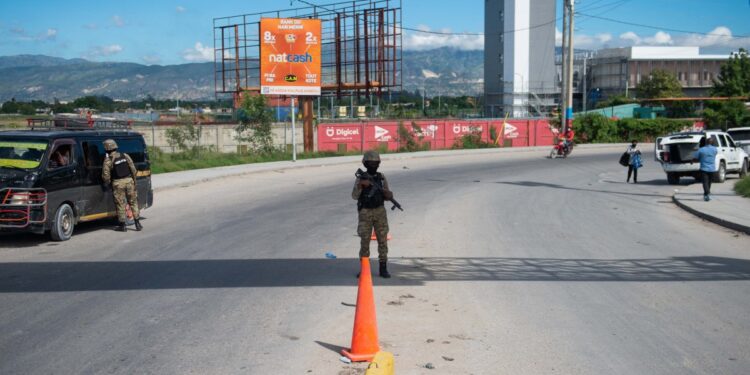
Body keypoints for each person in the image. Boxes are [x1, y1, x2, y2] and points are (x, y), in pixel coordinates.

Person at [352, 150, 394, 278]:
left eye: (375, 163)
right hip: (365, 212)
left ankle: (383, 268)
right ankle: (364, 269)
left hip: (379, 211)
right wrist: (361, 185)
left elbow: (386, 194)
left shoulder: (381, 178)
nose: (373, 165)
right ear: (365, 163)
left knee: (382, 240)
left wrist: (388, 195)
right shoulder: (361, 178)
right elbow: (354, 196)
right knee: (364, 241)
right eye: (370, 163)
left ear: (379, 164)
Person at [102, 139, 142, 231]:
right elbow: (133, 169)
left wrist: (108, 184)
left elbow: (106, 176)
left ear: (107, 149)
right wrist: (134, 181)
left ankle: (123, 226)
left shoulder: (108, 160)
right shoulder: (125, 155)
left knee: (120, 204)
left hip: (118, 183)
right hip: (129, 181)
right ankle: (138, 224)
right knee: (133, 202)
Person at [694, 137, 718, 201]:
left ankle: (707, 193)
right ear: (712, 143)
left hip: (704, 168)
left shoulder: (701, 149)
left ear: (706, 142)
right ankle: (706, 194)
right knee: (709, 182)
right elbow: (715, 155)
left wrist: (692, 161)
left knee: (705, 182)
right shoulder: (715, 149)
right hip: (712, 169)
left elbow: (696, 157)